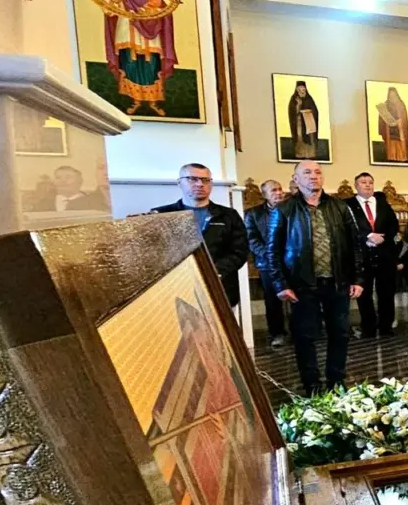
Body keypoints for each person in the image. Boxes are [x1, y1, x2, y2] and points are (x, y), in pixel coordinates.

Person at [260, 160, 364, 394]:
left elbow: (355, 246)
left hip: (337, 282)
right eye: (307, 172)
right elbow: (272, 250)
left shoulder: (339, 207)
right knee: (305, 337)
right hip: (301, 285)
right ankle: (312, 385)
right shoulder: (284, 209)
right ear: (296, 179)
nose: (313, 176)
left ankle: (336, 381)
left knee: (340, 333)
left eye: (317, 172)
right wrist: (280, 283)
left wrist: (358, 279)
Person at [151, 162, 250, 306]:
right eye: (192, 179)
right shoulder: (161, 215)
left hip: (221, 289)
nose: (200, 184)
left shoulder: (228, 215)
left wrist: (213, 271)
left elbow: (240, 251)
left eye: (205, 180)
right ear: (179, 183)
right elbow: (155, 254)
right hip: (176, 291)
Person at [347, 172, 402, 337]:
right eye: (363, 182)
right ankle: (368, 327)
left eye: (370, 182)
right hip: (361, 255)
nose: (367, 185)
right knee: (364, 293)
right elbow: (347, 227)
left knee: (386, 292)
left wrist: (383, 237)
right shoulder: (348, 204)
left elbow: (393, 225)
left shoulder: (382, 203)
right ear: (356, 185)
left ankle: (386, 326)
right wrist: (367, 236)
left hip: (384, 253)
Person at [244, 179, 290, 345]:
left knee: (298, 297)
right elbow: (252, 239)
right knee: (272, 300)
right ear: (264, 195)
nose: (278, 193)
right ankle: (277, 333)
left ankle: (300, 332)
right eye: (273, 191)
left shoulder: (292, 209)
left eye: (280, 189)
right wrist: (270, 255)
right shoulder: (253, 214)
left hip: (292, 261)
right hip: (268, 263)